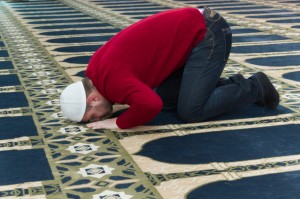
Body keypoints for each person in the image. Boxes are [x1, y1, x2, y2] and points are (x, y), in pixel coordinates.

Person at [60, 7, 279, 129]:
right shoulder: (96, 71)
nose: (97, 120)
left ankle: (255, 87)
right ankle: (231, 87)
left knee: (190, 112)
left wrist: (117, 122)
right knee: (167, 99)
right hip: (194, 37)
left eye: (92, 117)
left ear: (93, 100)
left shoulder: (112, 82)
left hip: (207, 34)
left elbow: (149, 105)